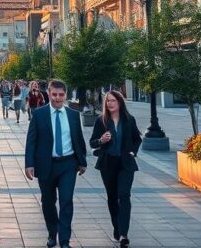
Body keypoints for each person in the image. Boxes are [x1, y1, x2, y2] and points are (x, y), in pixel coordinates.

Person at [25, 79, 87, 248]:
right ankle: (52, 233)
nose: (57, 98)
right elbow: (31, 141)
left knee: (66, 201)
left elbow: (78, 140)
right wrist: (29, 164)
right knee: (48, 201)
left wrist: (82, 162)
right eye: (54, 94)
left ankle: (65, 240)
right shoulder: (39, 114)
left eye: (61, 94)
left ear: (65, 95)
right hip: (46, 165)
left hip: (68, 164)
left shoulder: (73, 115)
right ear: (49, 94)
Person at [89, 90, 142, 247]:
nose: (109, 103)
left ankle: (124, 234)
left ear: (120, 102)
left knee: (124, 195)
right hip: (108, 164)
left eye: (113, 100)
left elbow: (137, 139)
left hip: (125, 164)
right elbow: (92, 142)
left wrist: (133, 152)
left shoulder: (129, 120)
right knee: (112, 197)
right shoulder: (101, 121)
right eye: (108, 101)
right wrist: (101, 140)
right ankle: (117, 229)